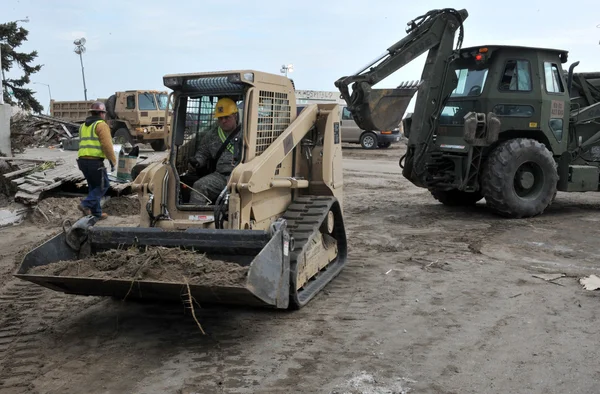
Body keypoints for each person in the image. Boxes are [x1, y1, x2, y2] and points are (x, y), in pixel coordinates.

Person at [188, 97, 242, 204]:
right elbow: (203, 153)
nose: (223, 121)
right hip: (221, 176)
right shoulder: (212, 135)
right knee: (199, 187)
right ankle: (196, 218)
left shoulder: (247, 132)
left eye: (227, 117)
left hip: (243, 177)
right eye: (220, 118)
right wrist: (197, 162)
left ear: (235, 116)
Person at [76, 101, 117, 219]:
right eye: (104, 113)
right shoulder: (101, 125)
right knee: (104, 186)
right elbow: (107, 145)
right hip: (94, 161)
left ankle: (96, 213)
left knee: (94, 186)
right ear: (101, 113)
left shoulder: (83, 126)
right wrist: (113, 161)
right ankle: (85, 204)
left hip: (82, 161)